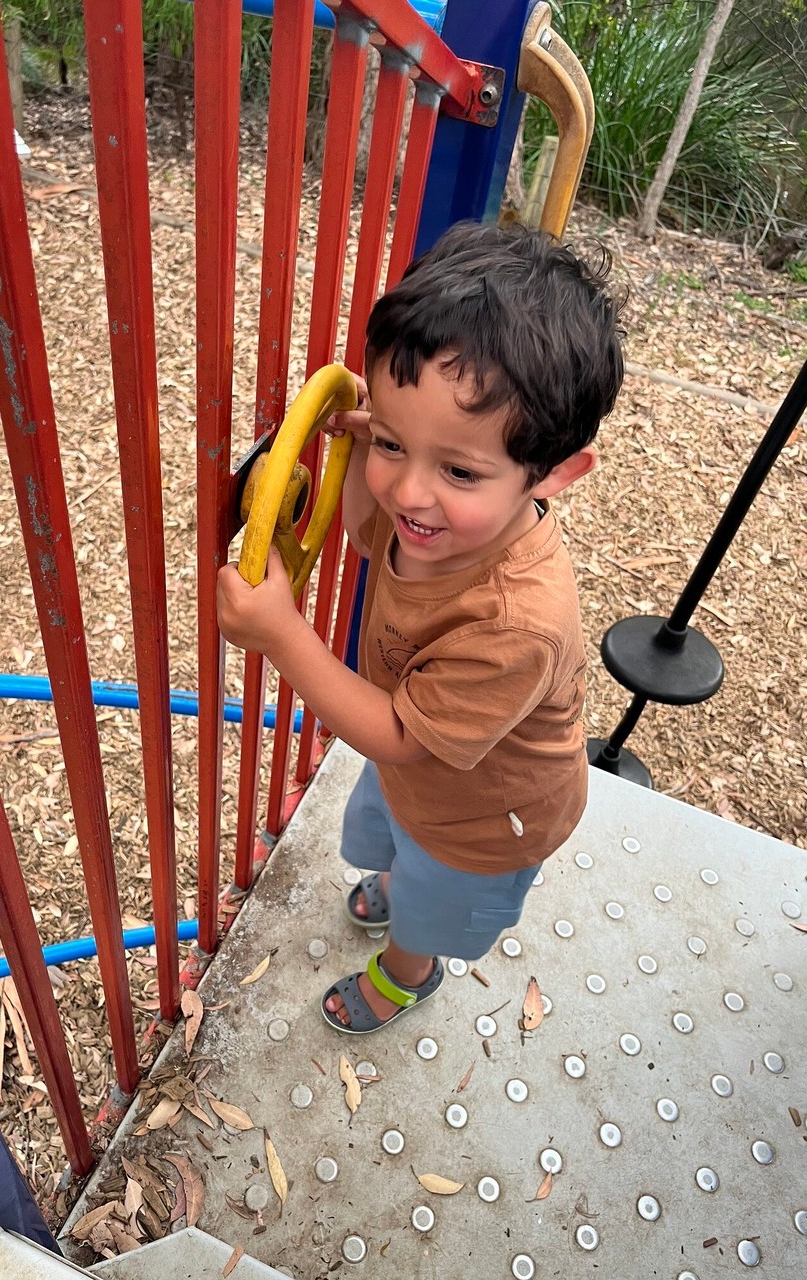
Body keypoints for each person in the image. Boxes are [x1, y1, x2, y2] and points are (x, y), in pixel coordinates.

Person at [217, 221, 624, 1035]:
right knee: (396, 844)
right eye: (394, 442)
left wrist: (283, 634)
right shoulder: (439, 522)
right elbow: (371, 530)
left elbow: (402, 733)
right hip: (425, 776)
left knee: (433, 905)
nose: (407, 492)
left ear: (553, 473)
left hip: (485, 819)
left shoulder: (519, 620)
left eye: (458, 469)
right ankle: (402, 886)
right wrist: (364, 444)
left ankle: (408, 972)